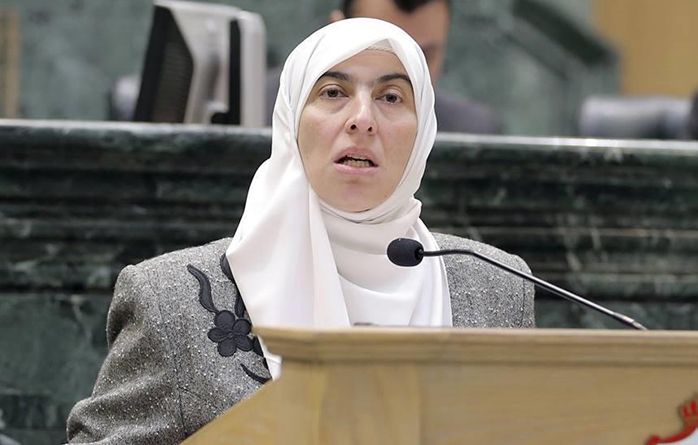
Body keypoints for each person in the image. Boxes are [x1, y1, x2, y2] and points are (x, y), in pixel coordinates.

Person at [67, 18, 533, 444]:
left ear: (423, 130)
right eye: (332, 92)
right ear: (291, 120)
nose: (362, 118)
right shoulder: (170, 300)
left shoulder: (496, 287)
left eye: (391, 97)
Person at [265, 0, 504, 134]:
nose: (405, 74)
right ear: (335, 31)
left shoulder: (474, 135)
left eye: (424, 57)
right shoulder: (259, 112)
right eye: (383, 49)